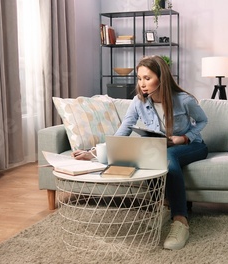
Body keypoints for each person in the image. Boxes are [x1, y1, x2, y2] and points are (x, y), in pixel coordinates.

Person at [72, 55, 208, 250]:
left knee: (167, 157)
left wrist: (184, 138)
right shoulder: (139, 101)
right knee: (146, 153)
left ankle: (181, 220)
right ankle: (162, 206)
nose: (142, 84)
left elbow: (203, 121)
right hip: (162, 146)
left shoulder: (183, 100)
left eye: (148, 78)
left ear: (162, 78)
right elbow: (124, 129)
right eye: (139, 78)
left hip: (193, 145)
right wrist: (94, 152)